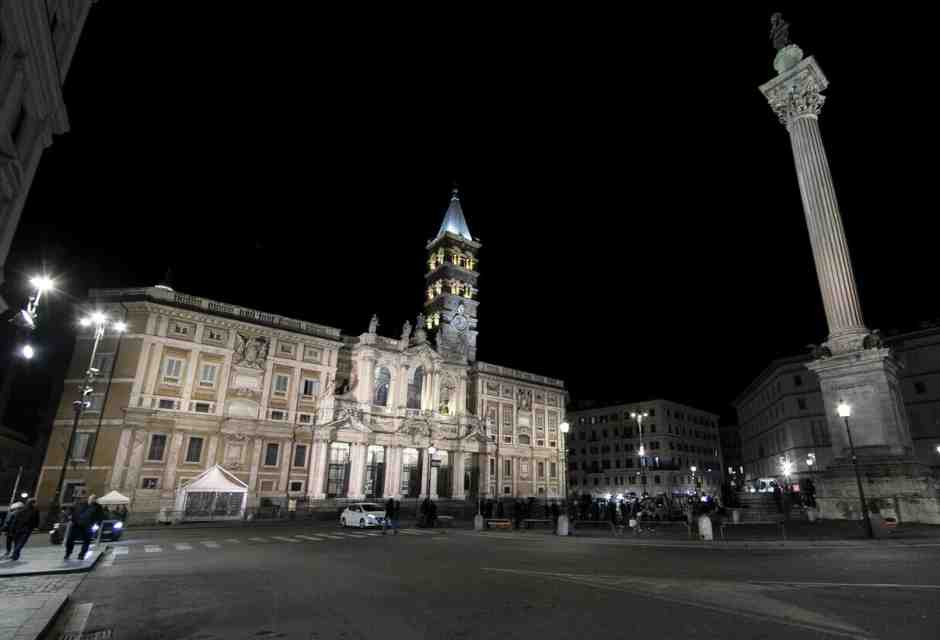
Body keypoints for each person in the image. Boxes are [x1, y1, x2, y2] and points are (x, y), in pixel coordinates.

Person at [65, 494, 104, 561]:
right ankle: (68, 553)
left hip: (88, 526)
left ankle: (81, 555)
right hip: (76, 524)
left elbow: (100, 517)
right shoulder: (81, 504)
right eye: (92, 498)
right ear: (89, 498)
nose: (93, 500)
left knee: (86, 541)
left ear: (95, 500)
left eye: (94, 499)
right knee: (70, 539)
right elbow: (72, 510)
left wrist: (97, 525)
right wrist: (70, 516)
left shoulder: (98, 507)